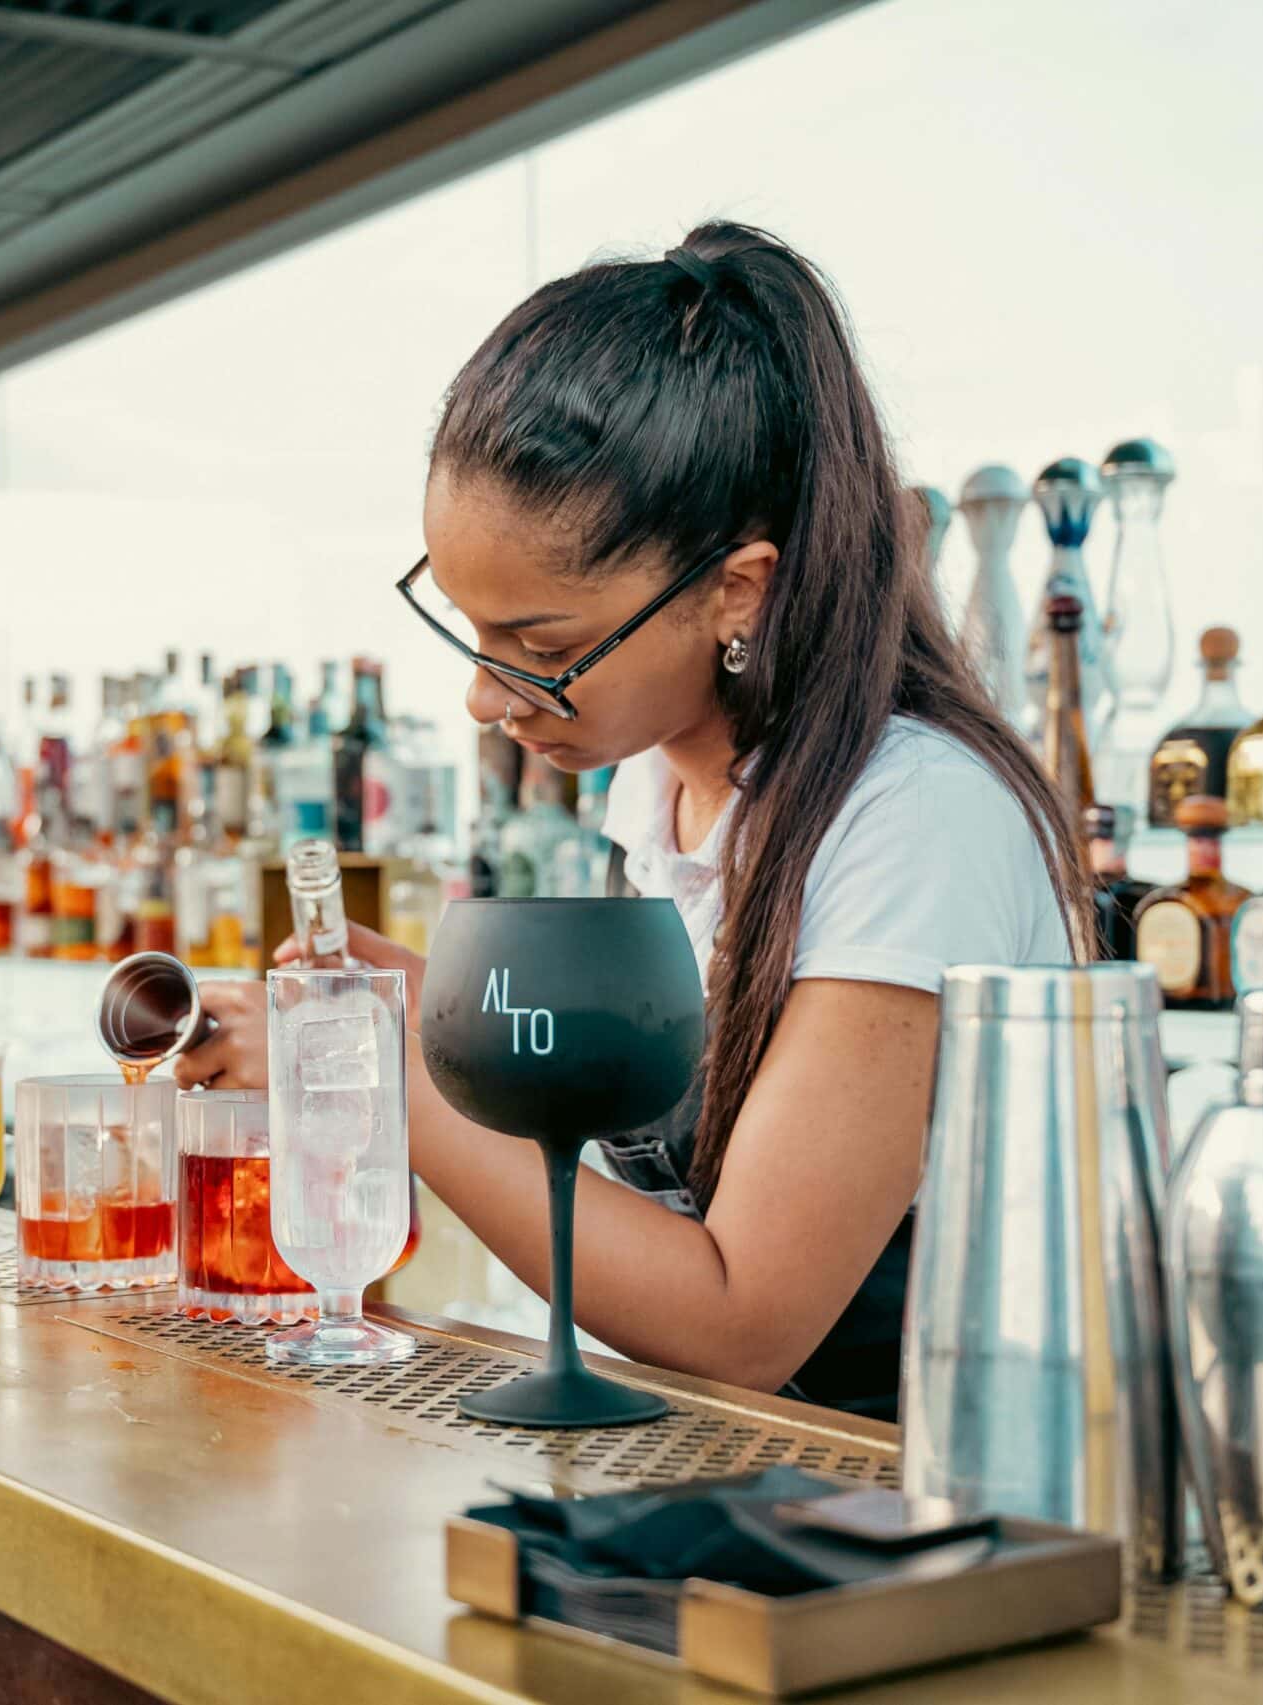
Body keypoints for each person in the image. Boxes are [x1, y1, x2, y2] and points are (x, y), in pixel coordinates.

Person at [176, 222, 1081, 1419]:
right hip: (759, 1473)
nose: (485, 697)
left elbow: (736, 1320)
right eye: (469, 628)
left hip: (946, 1488)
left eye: (538, 643)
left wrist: (388, 1073)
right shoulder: (661, 792)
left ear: (736, 590)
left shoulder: (916, 819)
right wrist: (404, 1008)